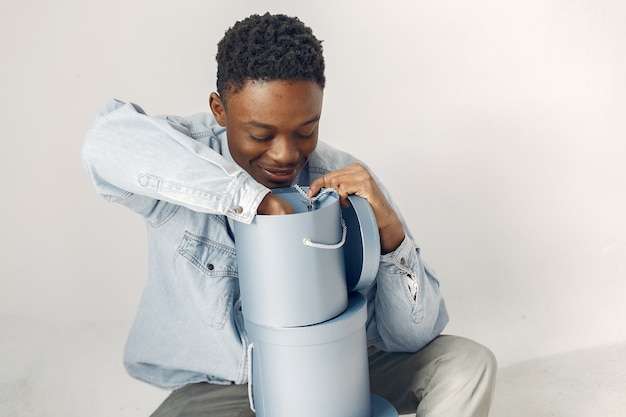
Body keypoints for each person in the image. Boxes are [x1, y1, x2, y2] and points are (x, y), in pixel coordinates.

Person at [81, 12, 496, 417]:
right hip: (231, 387)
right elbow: (105, 143)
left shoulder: (344, 179)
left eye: (305, 131)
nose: (286, 155)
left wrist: (390, 233)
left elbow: (414, 338)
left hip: (345, 366)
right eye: (261, 135)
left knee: (466, 363)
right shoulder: (181, 158)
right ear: (220, 110)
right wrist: (252, 199)